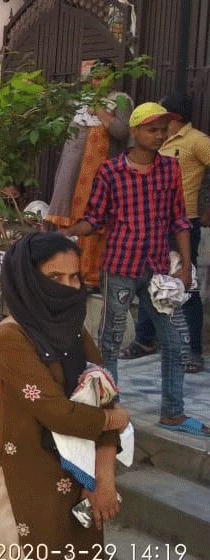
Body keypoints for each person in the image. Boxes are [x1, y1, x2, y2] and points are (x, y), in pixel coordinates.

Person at [0, 232, 130, 560]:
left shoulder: (72, 331)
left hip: (80, 483)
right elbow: (57, 413)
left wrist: (103, 478)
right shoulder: (11, 339)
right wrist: (112, 419)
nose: (68, 287)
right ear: (29, 280)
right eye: (55, 278)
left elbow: (105, 394)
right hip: (28, 482)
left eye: (74, 277)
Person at [64, 102, 208, 437]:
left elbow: (179, 221)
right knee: (111, 342)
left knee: (175, 342)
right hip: (119, 267)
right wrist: (66, 231)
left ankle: (172, 412)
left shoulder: (170, 169)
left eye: (162, 130)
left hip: (157, 271)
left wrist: (186, 268)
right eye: (151, 130)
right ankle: (107, 410)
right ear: (135, 131)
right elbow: (94, 219)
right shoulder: (111, 172)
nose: (158, 136)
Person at [125, 91, 210, 372]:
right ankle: (145, 340)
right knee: (146, 281)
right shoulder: (156, 142)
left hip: (182, 225)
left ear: (175, 118)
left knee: (186, 285)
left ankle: (193, 352)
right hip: (150, 223)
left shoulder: (197, 141)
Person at [47, 59, 132, 290]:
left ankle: (90, 277)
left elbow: (122, 132)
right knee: (72, 224)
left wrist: (102, 113)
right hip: (73, 181)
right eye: (95, 77)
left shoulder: (120, 100)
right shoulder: (80, 104)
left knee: (95, 222)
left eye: (105, 76)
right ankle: (66, 273)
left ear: (114, 78)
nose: (100, 81)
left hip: (100, 178)